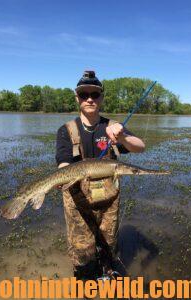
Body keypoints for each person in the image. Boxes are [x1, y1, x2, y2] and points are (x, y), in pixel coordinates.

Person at [56, 71, 145, 280]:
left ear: (101, 98)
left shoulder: (113, 128)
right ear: (77, 98)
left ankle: (106, 270)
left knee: (109, 242)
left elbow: (140, 147)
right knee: (82, 250)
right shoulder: (66, 130)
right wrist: (60, 177)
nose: (89, 98)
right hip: (78, 202)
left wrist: (122, 136)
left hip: (109, 201)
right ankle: (85, 278)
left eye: (95, 94)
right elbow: (63, 163)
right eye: (84, 94)